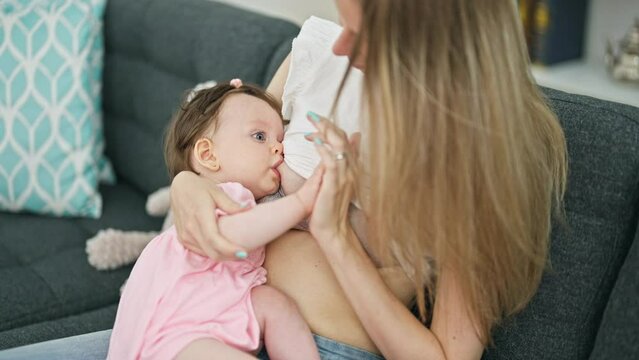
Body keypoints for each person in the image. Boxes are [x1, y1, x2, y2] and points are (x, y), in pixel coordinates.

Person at [0, 1, 567, 359]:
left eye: (359, 34)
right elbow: (233, 139)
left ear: (430, 50)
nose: (340, 48)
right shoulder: (323, 58)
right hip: (211, 318)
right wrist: (188, 185)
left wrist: (337, 238)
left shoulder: (477, 168)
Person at [108, 80, 321, 360]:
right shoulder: (223, 197)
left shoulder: (238, 199)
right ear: (208, 155)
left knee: (274, 304)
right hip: (175, 343)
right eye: (260, 136)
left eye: (280, 140)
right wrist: (302, 202)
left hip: (207, 324)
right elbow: (234, 234)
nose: (279, 149)